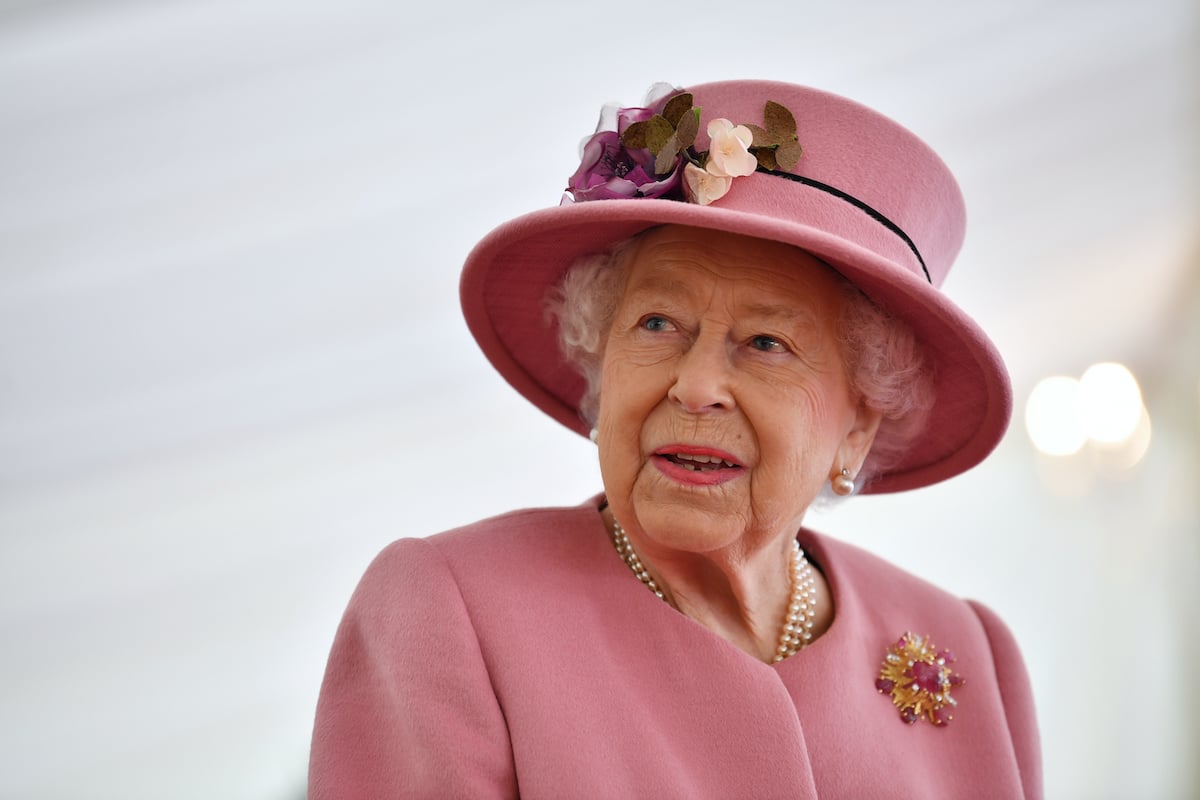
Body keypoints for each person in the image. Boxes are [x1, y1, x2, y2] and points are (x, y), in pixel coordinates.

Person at [308, 79, 1042, 798]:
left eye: (765, 342)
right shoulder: (453, 612)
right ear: (600, 364)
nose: (695, 386)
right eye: (657, 324)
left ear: (858, 425)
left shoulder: (967, 651)